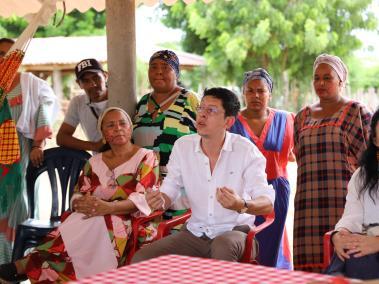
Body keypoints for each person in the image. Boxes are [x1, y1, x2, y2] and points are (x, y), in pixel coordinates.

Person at [0, 107, 160, 283]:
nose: (118, 128)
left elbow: (143, 197)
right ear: (103, 134)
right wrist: (79, 204)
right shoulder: (94, 161)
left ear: (130, 128)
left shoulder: (146, 156)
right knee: (77, 218)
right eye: (111, 125)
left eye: (123, 123)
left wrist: (108, 207)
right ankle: (34, 266)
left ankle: (25, 265)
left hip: (130, 218)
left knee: (103, 221)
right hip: (94, 214)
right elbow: (79, 192)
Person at [131, 87, 275, 264]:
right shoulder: (182, 146)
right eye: (201, 108)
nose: (202, 115)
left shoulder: (246, 151)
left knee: (223, 246)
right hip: (195, 233)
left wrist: (241, 204)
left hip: (236, 232)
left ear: (228, 121)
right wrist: (160, 199)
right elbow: (170, 189)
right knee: (142, 259)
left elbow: (267, 203)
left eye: (211, 110)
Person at [293, 54, 372, 273]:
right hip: (307, 206)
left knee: (342, 261)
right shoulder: (301, 117)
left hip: (344, 204)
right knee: (308, 268)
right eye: (316, 78)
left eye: (328, 78)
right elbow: (300, 158)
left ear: (341, 81)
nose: (320, 83)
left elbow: (369, 162)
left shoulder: (356, 112)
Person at [0, 38, 58, 264]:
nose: (4, 58)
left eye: (8, 54)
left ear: (19, 57)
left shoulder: (30, 83)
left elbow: (44, 109)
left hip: (19, 153)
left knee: (15, 200)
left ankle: (12, 260)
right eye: (0, 54)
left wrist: (38, 144)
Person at [229, 68, 294, 269]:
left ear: (270, 94)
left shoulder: (287, 120)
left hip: (276, 190)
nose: (256, 95)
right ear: (243, 93)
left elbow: (297, 152)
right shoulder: (230, 122)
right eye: (250, 90)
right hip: (242, 191)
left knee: (271, 243)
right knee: (242, 241)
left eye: (261, 91)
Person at [132, 50, 198, 212]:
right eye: (153, 67)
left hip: (181, 185)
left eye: (165, 67)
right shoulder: (142, 103)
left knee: (176, 232)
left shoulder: (189, 99)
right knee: (148, 232)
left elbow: (207, 137)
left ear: (176, 72)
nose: (158, 71)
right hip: (145, 185)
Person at [324, 108, 379, 280]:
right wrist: (340, 235)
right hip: (367, 240)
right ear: (376, 140)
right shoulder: (363, 175)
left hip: (373, 244)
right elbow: (352, 215)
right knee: (349, 251)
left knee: (356, 262)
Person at [56, 58, 108, 152]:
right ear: (79, 84)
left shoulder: (121, 97)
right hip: (100, 161)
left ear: (105, 76)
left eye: (96, 77)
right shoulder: (78, 102)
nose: (93, 84)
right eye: (86, 81)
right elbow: (61, 138)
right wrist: (94, 146)